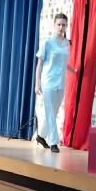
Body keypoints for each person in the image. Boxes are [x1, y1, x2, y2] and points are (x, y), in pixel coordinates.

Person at [34, 13, 70, 153]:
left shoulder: (67, 44)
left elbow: (63, 63)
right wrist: (37, 83)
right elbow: (39, 64)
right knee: (50, 112)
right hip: (48, 81)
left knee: (53, 112)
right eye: (59, 24)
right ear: (54, 25)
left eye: (63, 25)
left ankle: (41, 136)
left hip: (60, 82)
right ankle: (54, 142)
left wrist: (74, 70)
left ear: (66, 26)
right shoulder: (47, 43)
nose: (61, 27)